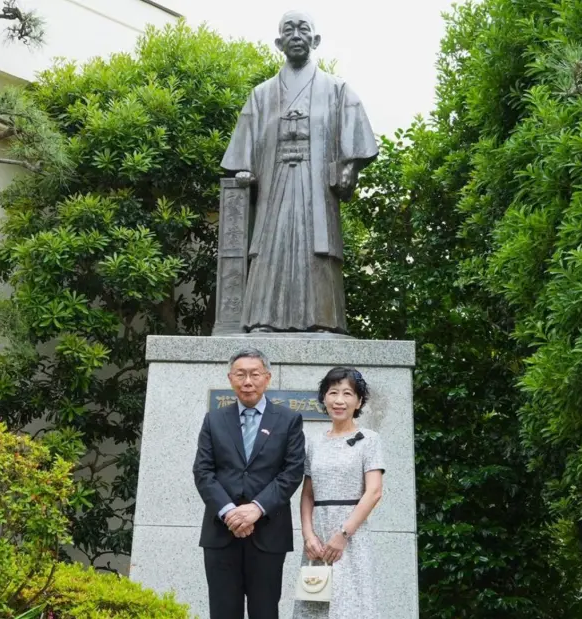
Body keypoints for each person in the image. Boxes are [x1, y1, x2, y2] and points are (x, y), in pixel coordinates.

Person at [221, 10, 378, 335]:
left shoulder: (337, 90)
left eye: (302, 29)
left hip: (317, 186)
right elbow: (245, 149)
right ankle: (264, 320)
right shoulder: (262, 94)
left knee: (317, 249)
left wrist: (351, 165)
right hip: (274, 184)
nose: (295, 34)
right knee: (270, 247)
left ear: (315, 39)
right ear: (279, 42)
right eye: (288, 30)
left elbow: (357, 139)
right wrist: (245, 171)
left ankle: (324, 321)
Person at [193, 347, 306, 619]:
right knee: (222, 612)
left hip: (268, 532)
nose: (248, 381)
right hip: (221, 532)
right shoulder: (215, 419)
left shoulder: (289, 420)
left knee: (265, 612)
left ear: (267, 377)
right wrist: (229, 511)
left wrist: (256, 508)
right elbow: (203, 471)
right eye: (240, 374)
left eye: (255, 374)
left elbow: (291, 472)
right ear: (230, 378)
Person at [292, 367, 385, 619]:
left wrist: (343, 534)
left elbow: (374, 491)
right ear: (324, 399)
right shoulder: (314, 442)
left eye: (347, 393)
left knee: (353, 605)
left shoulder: (369, 439)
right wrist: (308, 534)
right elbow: (308, 494)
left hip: (351, 535)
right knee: (315, 605)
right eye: (333, 393)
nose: (339, 400)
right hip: (318, 538)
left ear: (359, 401)